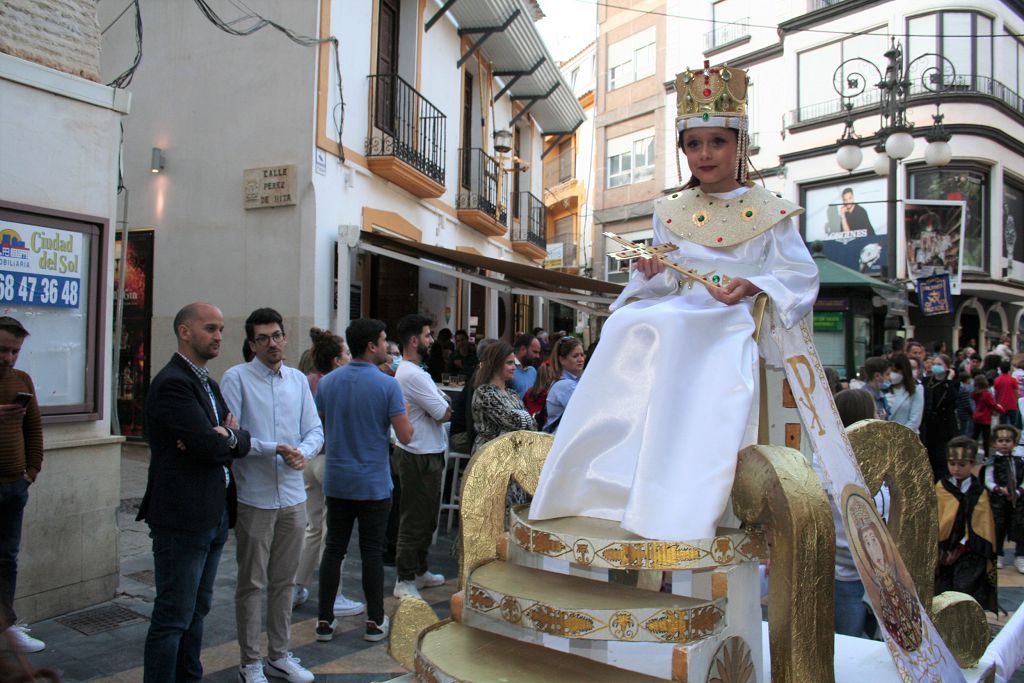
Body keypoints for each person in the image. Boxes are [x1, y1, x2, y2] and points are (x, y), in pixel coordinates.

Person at [529, 64, 819, 540]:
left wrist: (753, 286)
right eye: (693, 143)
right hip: (679, 312)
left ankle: (676, 499)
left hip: (731, 319)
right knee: (626, 326)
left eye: (717, 142)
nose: (704, 154)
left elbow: (799, 275)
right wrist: (651, 274)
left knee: (674, 328)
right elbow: (667, 283)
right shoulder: (671, 211)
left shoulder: (772, 210)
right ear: (683, 148)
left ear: (738, 144)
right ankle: (600, 483)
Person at [139, 303, 251, 683]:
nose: (219, 336)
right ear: (185, 332)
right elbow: (206, 446)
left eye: (220, 329)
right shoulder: (173, 382)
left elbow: (237, 439)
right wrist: (216, 436)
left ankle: (190, 677)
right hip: (182, 518)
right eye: (210, 328)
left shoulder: (208, 382)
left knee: (198, 609)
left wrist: (227, 435)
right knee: (173, 616)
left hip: (213, 513)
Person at [221, 309, 325, 683]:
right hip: (255, 496)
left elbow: (314, 428)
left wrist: (304, 451)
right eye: (263, 338)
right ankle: (250, 661)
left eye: (277, 335)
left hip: (294, 496)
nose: (273, 343)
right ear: (251, 344)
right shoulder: (236, 378)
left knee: (285, 581)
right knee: (251, 583)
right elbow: (233, 437)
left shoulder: (297, 380)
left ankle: (279, 654)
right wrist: (275, 449)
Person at [314, 319, 412, 644]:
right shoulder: (388, 385)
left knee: (334, 549)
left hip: (338, 477)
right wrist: (405, 411)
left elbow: (323, 424)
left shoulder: (328, 383)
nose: (387, 347)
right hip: (372, 481)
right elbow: (406, 436)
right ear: (371, 345)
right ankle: (374, 621)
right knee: (371, 551)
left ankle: (324, 621)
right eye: (384, 341)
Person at [293, 328, 363, 617]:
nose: (349, 357)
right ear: (335, 360)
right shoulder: (338, 384)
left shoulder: (306, 381)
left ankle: (295, 587)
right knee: (333, 534)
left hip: (307, 460)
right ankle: (333, 595)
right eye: (346, 353)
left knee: (313, 528)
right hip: (329, 460)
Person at [392, 314, 450, 600]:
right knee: (415, 517)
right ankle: (404, 577)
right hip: (418, 453)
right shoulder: (412, 374)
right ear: (414, 341)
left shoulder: (415, 372)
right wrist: (440, 405)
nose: (431, 340)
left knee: (426, 517)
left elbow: (440, 407)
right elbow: (444, 411)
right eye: (427, 335)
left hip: (427, 450)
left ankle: (419, 569)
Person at [0, 317, 44, 653]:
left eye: (15, 351)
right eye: (3, 349)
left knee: (6, 560)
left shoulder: (21, 379)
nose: (9, 358)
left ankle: (6, 627)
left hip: (15, 486)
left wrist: (31, 470)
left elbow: (33, 429)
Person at [936, 436, 998, 611]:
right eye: (952, 463)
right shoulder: (941, 488)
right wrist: (942, 551)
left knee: (964, 595)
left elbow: (982, 526)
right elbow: (936, 520)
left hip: (970, 554)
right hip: (942, 553)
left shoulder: (978, 492)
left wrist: (960, 549)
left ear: (972, 464)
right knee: (942, 596)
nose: (956, 469)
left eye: (962, 464)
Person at [471, 342, 536, 455]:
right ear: (496, 365)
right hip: (489, 455)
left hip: (512, 453)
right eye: (509, 363)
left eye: (514, 363)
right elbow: (511, 421)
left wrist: (522, 418)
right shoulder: (484, 393)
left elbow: (533, 425)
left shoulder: (511, 393)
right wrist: (525, 417)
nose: (514, 367)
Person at [983, 425, 1024, 573]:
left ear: (1014, 442)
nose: (1004, 443)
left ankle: (1020, 556)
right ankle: (998, 554)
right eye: (1001, 440)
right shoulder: (993, 461)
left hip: (1018, 501)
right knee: (999, 527)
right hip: (998, 501)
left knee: (1020, 526)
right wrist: (998, 489)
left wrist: (1019, 491)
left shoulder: (1019, 460)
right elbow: (988, 480)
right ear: (994, 443)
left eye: (1008, 440)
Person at [923, 354, 960, 481]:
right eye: (934, 364)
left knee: (942, 459)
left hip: (945, 428)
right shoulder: (926, 382)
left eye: (939, 364)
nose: (936, 367)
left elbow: (953, 401)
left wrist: (949, 380)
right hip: (930, 426)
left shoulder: (952, 384)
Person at [543, 336, 585, 433]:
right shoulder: (566, 385)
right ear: (562, 360)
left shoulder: (567, 381)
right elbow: (586, 411)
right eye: (575, 356)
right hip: (562, 440)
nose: (580, 359)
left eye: (582, 355)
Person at [886, 352, 923, 434]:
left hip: (906, 438)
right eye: (890, 371)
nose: (892, 374)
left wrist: (899, 436)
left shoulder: (916, 389)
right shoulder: (883, 388)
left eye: (896, 371)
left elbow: (914, 420)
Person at [972, 374, 1003, 455]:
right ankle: (986, 455)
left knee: (975, 436)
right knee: (986, 437)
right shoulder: (986, 394)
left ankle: (972, 452)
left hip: (977, 416)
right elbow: (992, 405)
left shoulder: (975, 393)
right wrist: (1001, 410)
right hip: (985, 418)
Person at [509, 333, 541, 398]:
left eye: (538, 353)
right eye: (535, 352)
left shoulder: (533, 371)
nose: (538, 356)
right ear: (522, 349)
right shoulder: (508, 370)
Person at [994, 360, 1021, 427]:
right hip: (1012, 405)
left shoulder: (997, 380)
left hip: (1001, 405)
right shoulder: (1013, 380)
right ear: (1009, 369)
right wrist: (1017, 403)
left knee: (1003, 425)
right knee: (1014, 424)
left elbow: (995, 393)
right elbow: (1016, 393)